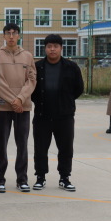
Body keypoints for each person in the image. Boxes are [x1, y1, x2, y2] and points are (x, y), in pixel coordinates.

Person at [31, 34, 84, 192]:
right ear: (45, 48)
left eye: (55, 46)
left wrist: (66, 101)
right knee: (40, 148)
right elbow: (31, 89)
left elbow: (79, 88)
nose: (52, 49)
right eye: (49, 46)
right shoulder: (37, 67)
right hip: (42, 115)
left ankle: (64, 177)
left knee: (66, 148)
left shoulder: (71, 67)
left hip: (64, 116)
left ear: (61, 48)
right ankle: (40, 177)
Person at [0, 23, 36, 192]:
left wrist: (20, 99)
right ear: (3, 36)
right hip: (3, 107)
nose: (11, 36)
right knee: (0, 144)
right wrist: (13, 100)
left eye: (14, 33)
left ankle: (22, 179)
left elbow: (31, 80)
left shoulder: (27, 56)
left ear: (19, 35)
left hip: (23, 108)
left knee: (22, 144)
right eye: (8, 33)